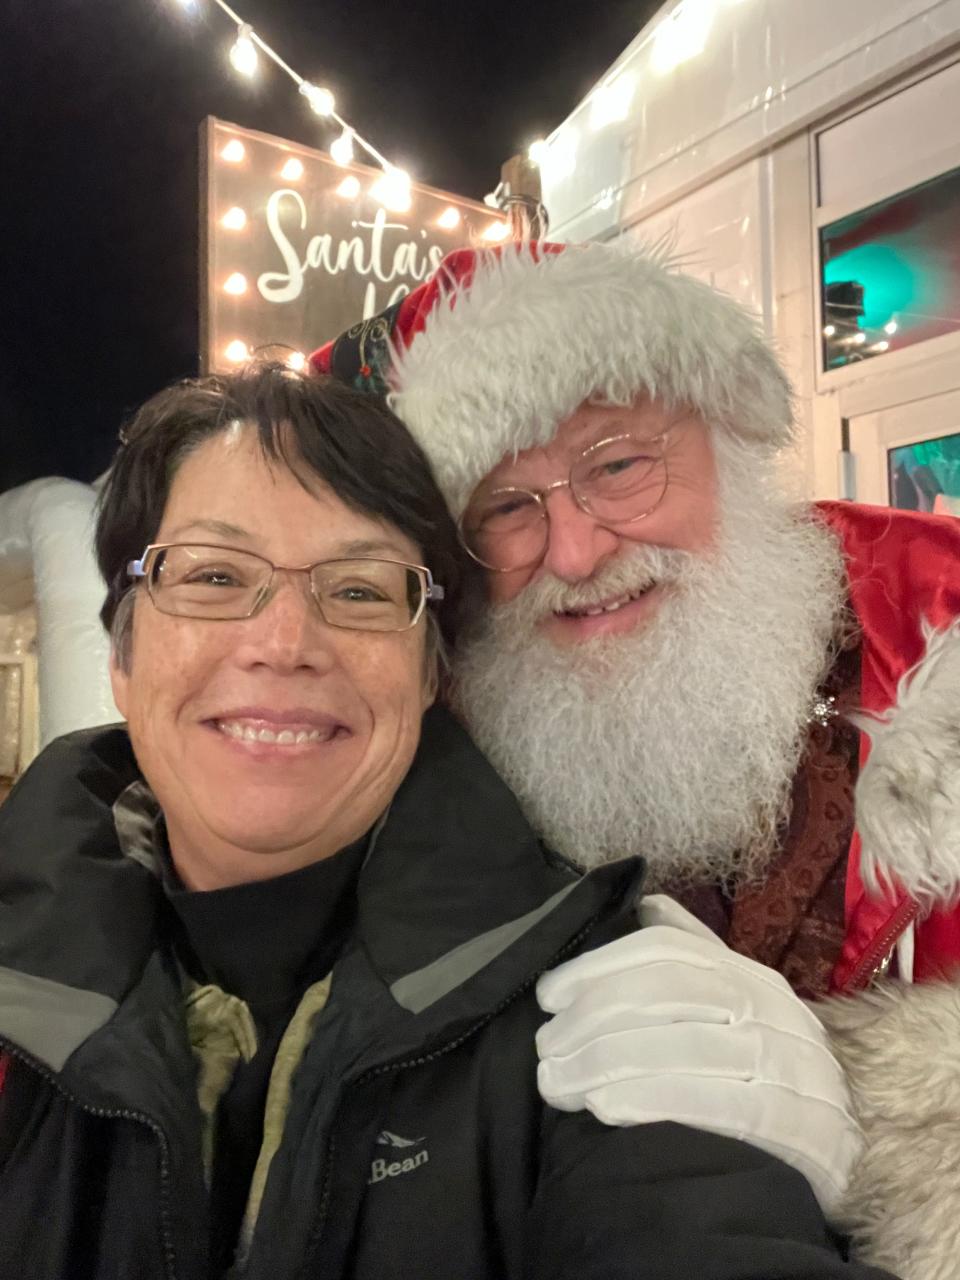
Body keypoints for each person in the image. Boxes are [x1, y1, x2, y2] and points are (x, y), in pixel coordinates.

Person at [0, 365, 894, 1280]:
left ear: (431, 673)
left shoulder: (597, 1012)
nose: (281, 643)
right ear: (122, 652)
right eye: (216, 576)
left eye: (359, 590)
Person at [311, 241, 960, 1280]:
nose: (574, 551)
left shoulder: (942, 641)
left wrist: (878, 1135)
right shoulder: (420, 755)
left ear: (727, 440)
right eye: (507, 507)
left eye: (618, 465)